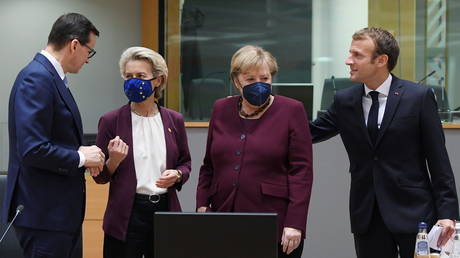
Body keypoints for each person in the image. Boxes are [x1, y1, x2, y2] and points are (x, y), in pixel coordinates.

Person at [310, 27, 459, 258]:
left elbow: (438, 159)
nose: (348, 61)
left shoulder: (418, 97)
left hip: (415, 210)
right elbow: (308, 133)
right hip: (367, 214)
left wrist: (448, 212)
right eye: (350, 53)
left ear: (381, 60)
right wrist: (271, 111)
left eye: (357, 55)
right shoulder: (344, 100)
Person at [196, 45, 313, 258]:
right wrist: (202, 205)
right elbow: (209, 166)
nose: (259, 84)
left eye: (265, 78)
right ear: (236, 81)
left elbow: (301, 173)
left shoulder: (292, 110)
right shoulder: (221, 108)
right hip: (223, 216)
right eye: (250, 79)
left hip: (273, 221)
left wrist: (295, 223)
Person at [2, 13, 104, 257]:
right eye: (89, 51)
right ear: (74, 45)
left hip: (56, 215)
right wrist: (81, 158)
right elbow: (32, 149)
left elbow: (54, 139)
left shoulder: (51, 77)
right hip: (44, 215)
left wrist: (80, 151)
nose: (88, 60)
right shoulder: (37, 78)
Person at [92, 46, 191, 258]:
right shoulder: (111, 121)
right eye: (128, 76)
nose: (133, 81)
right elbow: (100, 176)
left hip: (165, 210)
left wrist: (178, 174)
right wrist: (114, 161)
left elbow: (185, 163)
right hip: (127, 214)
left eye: (141, 76)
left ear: (158, 80)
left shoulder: (174, 120)